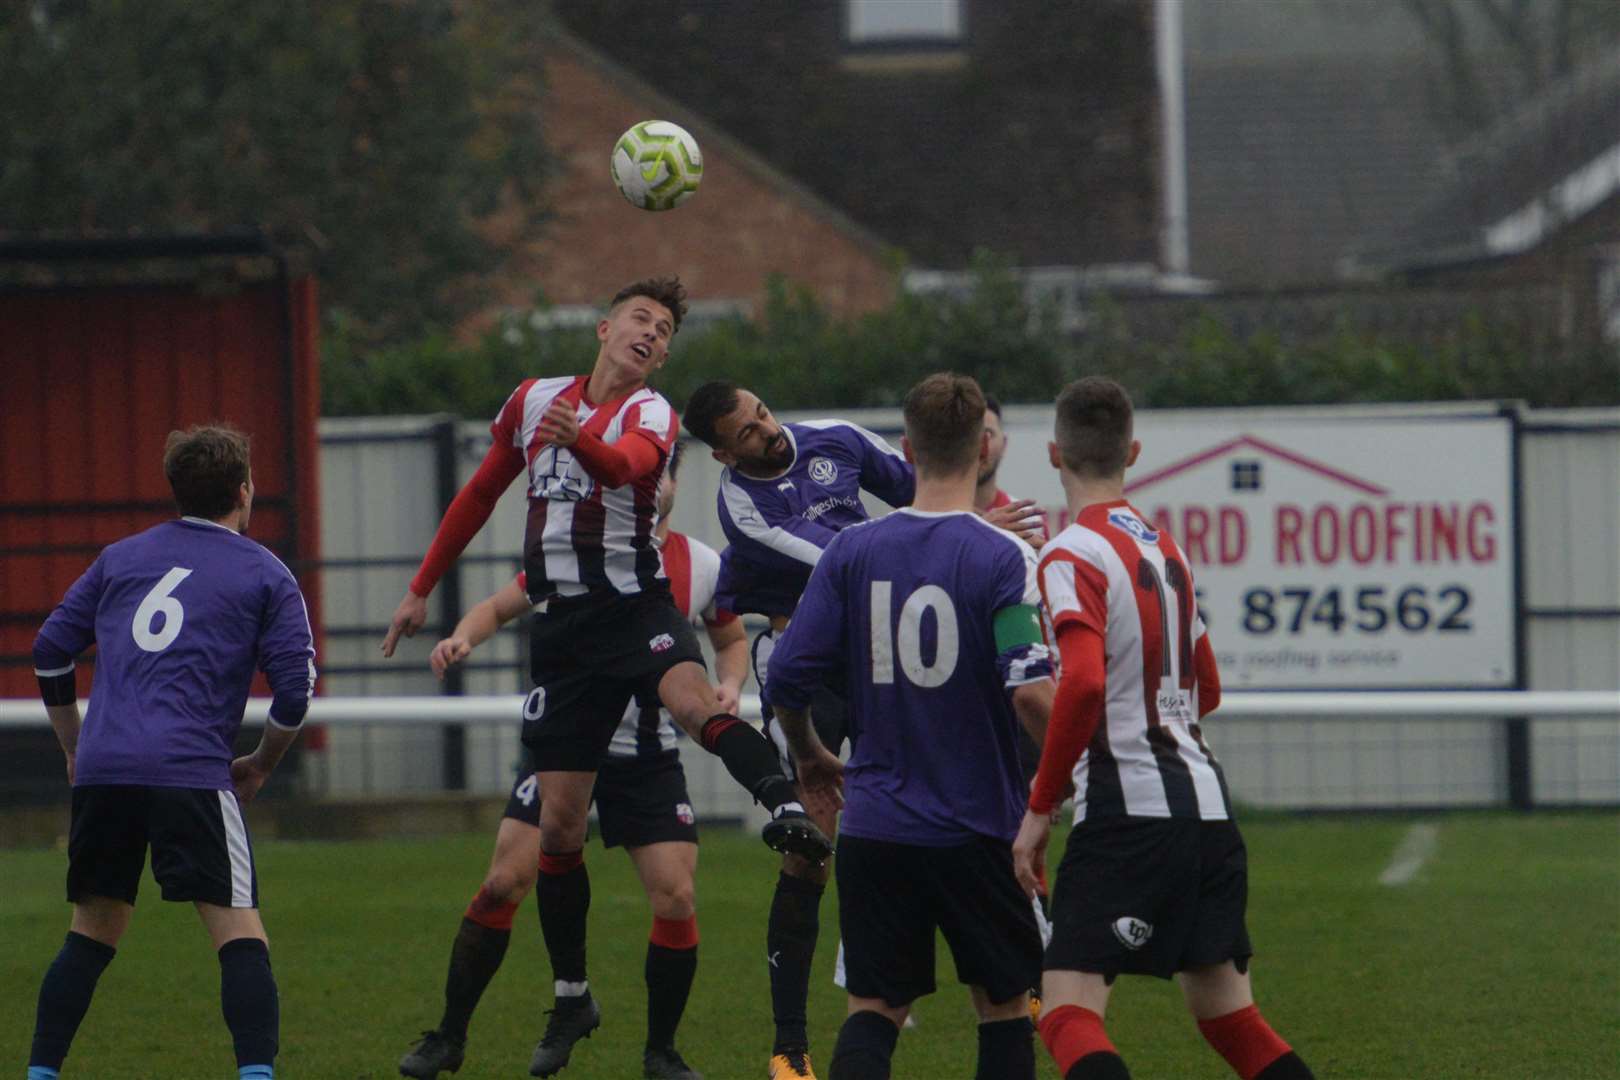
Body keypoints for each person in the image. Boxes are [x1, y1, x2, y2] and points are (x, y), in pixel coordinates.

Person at [379, 278, 830, 1074]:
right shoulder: (533, 399)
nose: (652, 335)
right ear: (603, 326)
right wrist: (421, 590)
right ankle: (568, 996)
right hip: (563, 632)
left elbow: (625, 468)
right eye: (640, 320)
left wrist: (575, 441)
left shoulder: (650, 413)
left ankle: (784, 803)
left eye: (663, 330)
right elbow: (482, 492)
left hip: (634, 609)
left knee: (692, 705)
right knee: (555, 832)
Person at [682, 379, 1044, 1079]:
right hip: (812, 660)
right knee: (811, 847)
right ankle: (790, 1047)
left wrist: (958, 526)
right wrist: (964, 533)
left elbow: (921, 485)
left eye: (765, 411)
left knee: (1000, 762)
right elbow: (850, 559)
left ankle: (1023, 965)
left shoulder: (835, 438)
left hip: (876, 646)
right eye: (750, 432)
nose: (769, 430)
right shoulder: (742, 506)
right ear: (726, 455)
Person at [1011, 377, 1314, 1080]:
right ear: (1134, 451)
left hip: (1128, 819)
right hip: (1207, 810)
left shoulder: (1071, 554)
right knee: (1233, 1022)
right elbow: (1204, 685)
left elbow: (1083, 681)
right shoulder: (1165, 552)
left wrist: (1037, 809)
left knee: (1065, 1013)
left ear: (1055, 455)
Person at [399, 446, 734, 1080]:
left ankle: (661, 1052)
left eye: (659, 473)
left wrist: (730, 681)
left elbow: (730, 634)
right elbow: (500, 605)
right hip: (568, 751)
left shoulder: (702, 565)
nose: (649, 484)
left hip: (647, 755)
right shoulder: (576, 554)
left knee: (676, 894)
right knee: (503, 881)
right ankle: (449, 1035)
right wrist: (462, 636)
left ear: (675, 483)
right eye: (638, 473)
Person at [26, 425, 316, 1080]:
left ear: (176, 492)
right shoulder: (265, 573)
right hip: (190, 770)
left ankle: (40, 1072)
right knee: (239, 931)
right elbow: (295, 695)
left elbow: (50, 651)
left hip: (106, 771)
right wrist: (264, 763)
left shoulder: (121, 558)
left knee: (90, 932)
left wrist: (77, 746)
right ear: (244, 492)